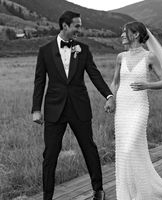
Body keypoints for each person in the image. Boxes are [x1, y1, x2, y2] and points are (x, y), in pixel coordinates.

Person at [31, 11, 114, 200]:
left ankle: (98, 191)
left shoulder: (83, 49)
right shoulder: (45, 50)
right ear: (65, 26)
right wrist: (36, 109)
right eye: (77, 25)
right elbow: (39, 81)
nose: (80, 29)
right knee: (50, 154)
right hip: (54, 110)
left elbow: (94, 74)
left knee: (89, 148)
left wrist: (108, 95)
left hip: (79, 107)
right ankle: (47, 196)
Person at [110, 21, 162, 199]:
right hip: (122, 108)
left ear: (136, 35)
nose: (122, 36)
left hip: (139, 106)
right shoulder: (120, 57)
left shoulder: (150, 57)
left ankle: (145, 192)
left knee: (130, 147)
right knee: (124, 149)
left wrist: (147, 85)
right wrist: (111, 99)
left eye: (125, 32)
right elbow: (115, 82)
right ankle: (130, 191)